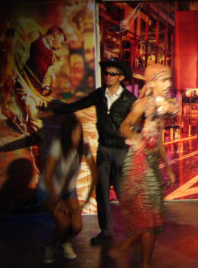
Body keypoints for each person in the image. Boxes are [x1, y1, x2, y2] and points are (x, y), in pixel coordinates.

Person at [40, 58, 137, 245]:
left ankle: (134, 230)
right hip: (103, 149)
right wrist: (53, 112)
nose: (107, 76)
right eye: (106, 73)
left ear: (121, 77)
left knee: (123, 192)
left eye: (112, 74)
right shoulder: (100, 95)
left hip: (121, 151)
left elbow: (138, 121)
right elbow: (78, 104)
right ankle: (106, 232)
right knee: (101, 193)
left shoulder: (129, 99)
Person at [108, 63, 179, 268]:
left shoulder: (163, 107)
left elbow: (158, 139)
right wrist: (136, 138)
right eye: (164, 80)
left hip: (151, 164)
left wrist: (168, 167)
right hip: (139, 162)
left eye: (169, 79)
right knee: (149, 218)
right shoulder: (143, 104)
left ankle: (123, 250)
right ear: (152, 82)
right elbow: (124, 126)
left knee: (152, 217)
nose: (169, 84)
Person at [36, 114, 99, 264]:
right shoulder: (58, 146)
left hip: (68, 190)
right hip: (48, 189)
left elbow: (94, 173)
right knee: (64, 224)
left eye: (79, 132)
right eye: (74, 132)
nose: (78, 136)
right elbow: (48, 177)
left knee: (76, 227)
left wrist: (87, 198)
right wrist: (58, 202)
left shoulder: (83, 147)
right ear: (67, 133)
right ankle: (50, 247)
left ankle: (65, 242)